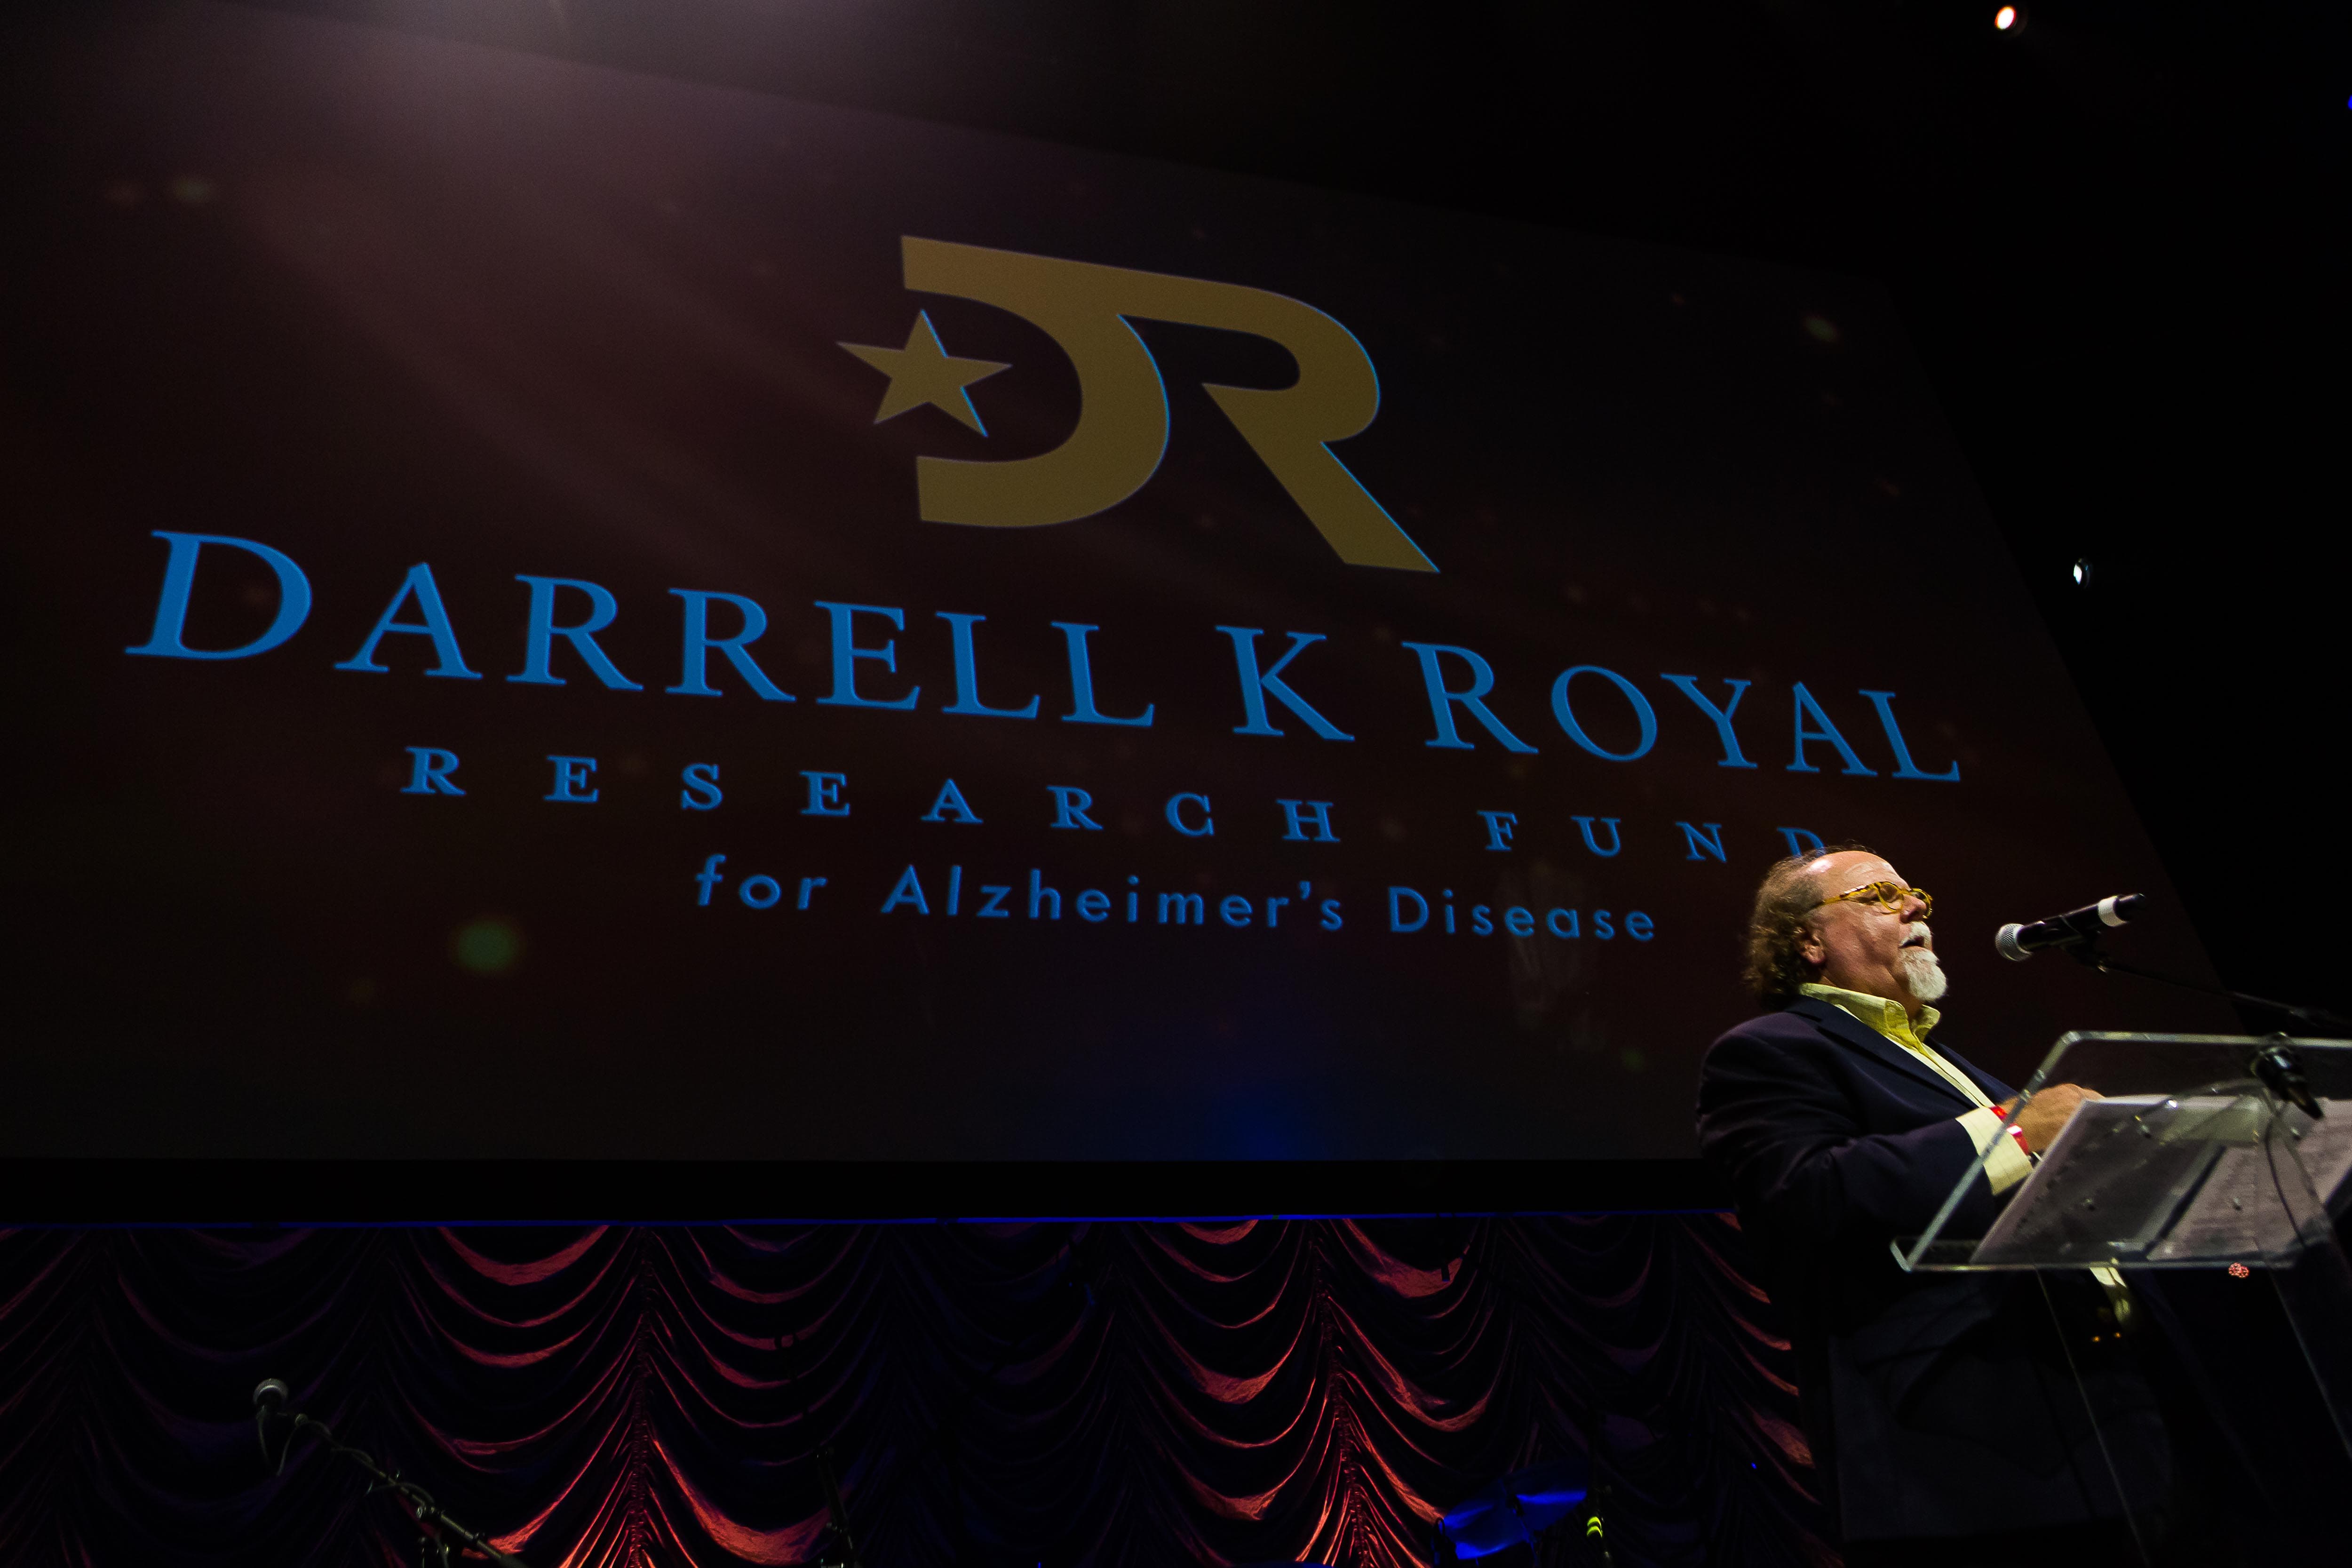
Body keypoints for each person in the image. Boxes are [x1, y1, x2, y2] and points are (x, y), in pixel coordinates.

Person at [1696, 846, 2169, 1567]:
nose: (1916, 905)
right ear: (1808, 941)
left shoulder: (1951, 1060)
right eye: (1880, 896)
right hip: (1955, 1449)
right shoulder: (1769, 1050)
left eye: (1913, 893)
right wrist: (2017, 1131)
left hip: (2102, 1419)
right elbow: (1809, 1193)